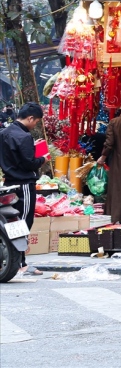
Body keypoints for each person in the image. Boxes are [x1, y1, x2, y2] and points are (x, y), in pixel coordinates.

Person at [0, 102, 46, 281]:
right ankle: (22, 264)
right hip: (24, 184)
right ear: (30, 118)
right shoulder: (24, 137)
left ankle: (18, 262)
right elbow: (29, 163)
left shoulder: (4, 133)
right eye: (36, 122)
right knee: (24, 223)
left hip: (9, 183)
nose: (35, 125)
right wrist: (42, 158)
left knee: (13, 223)